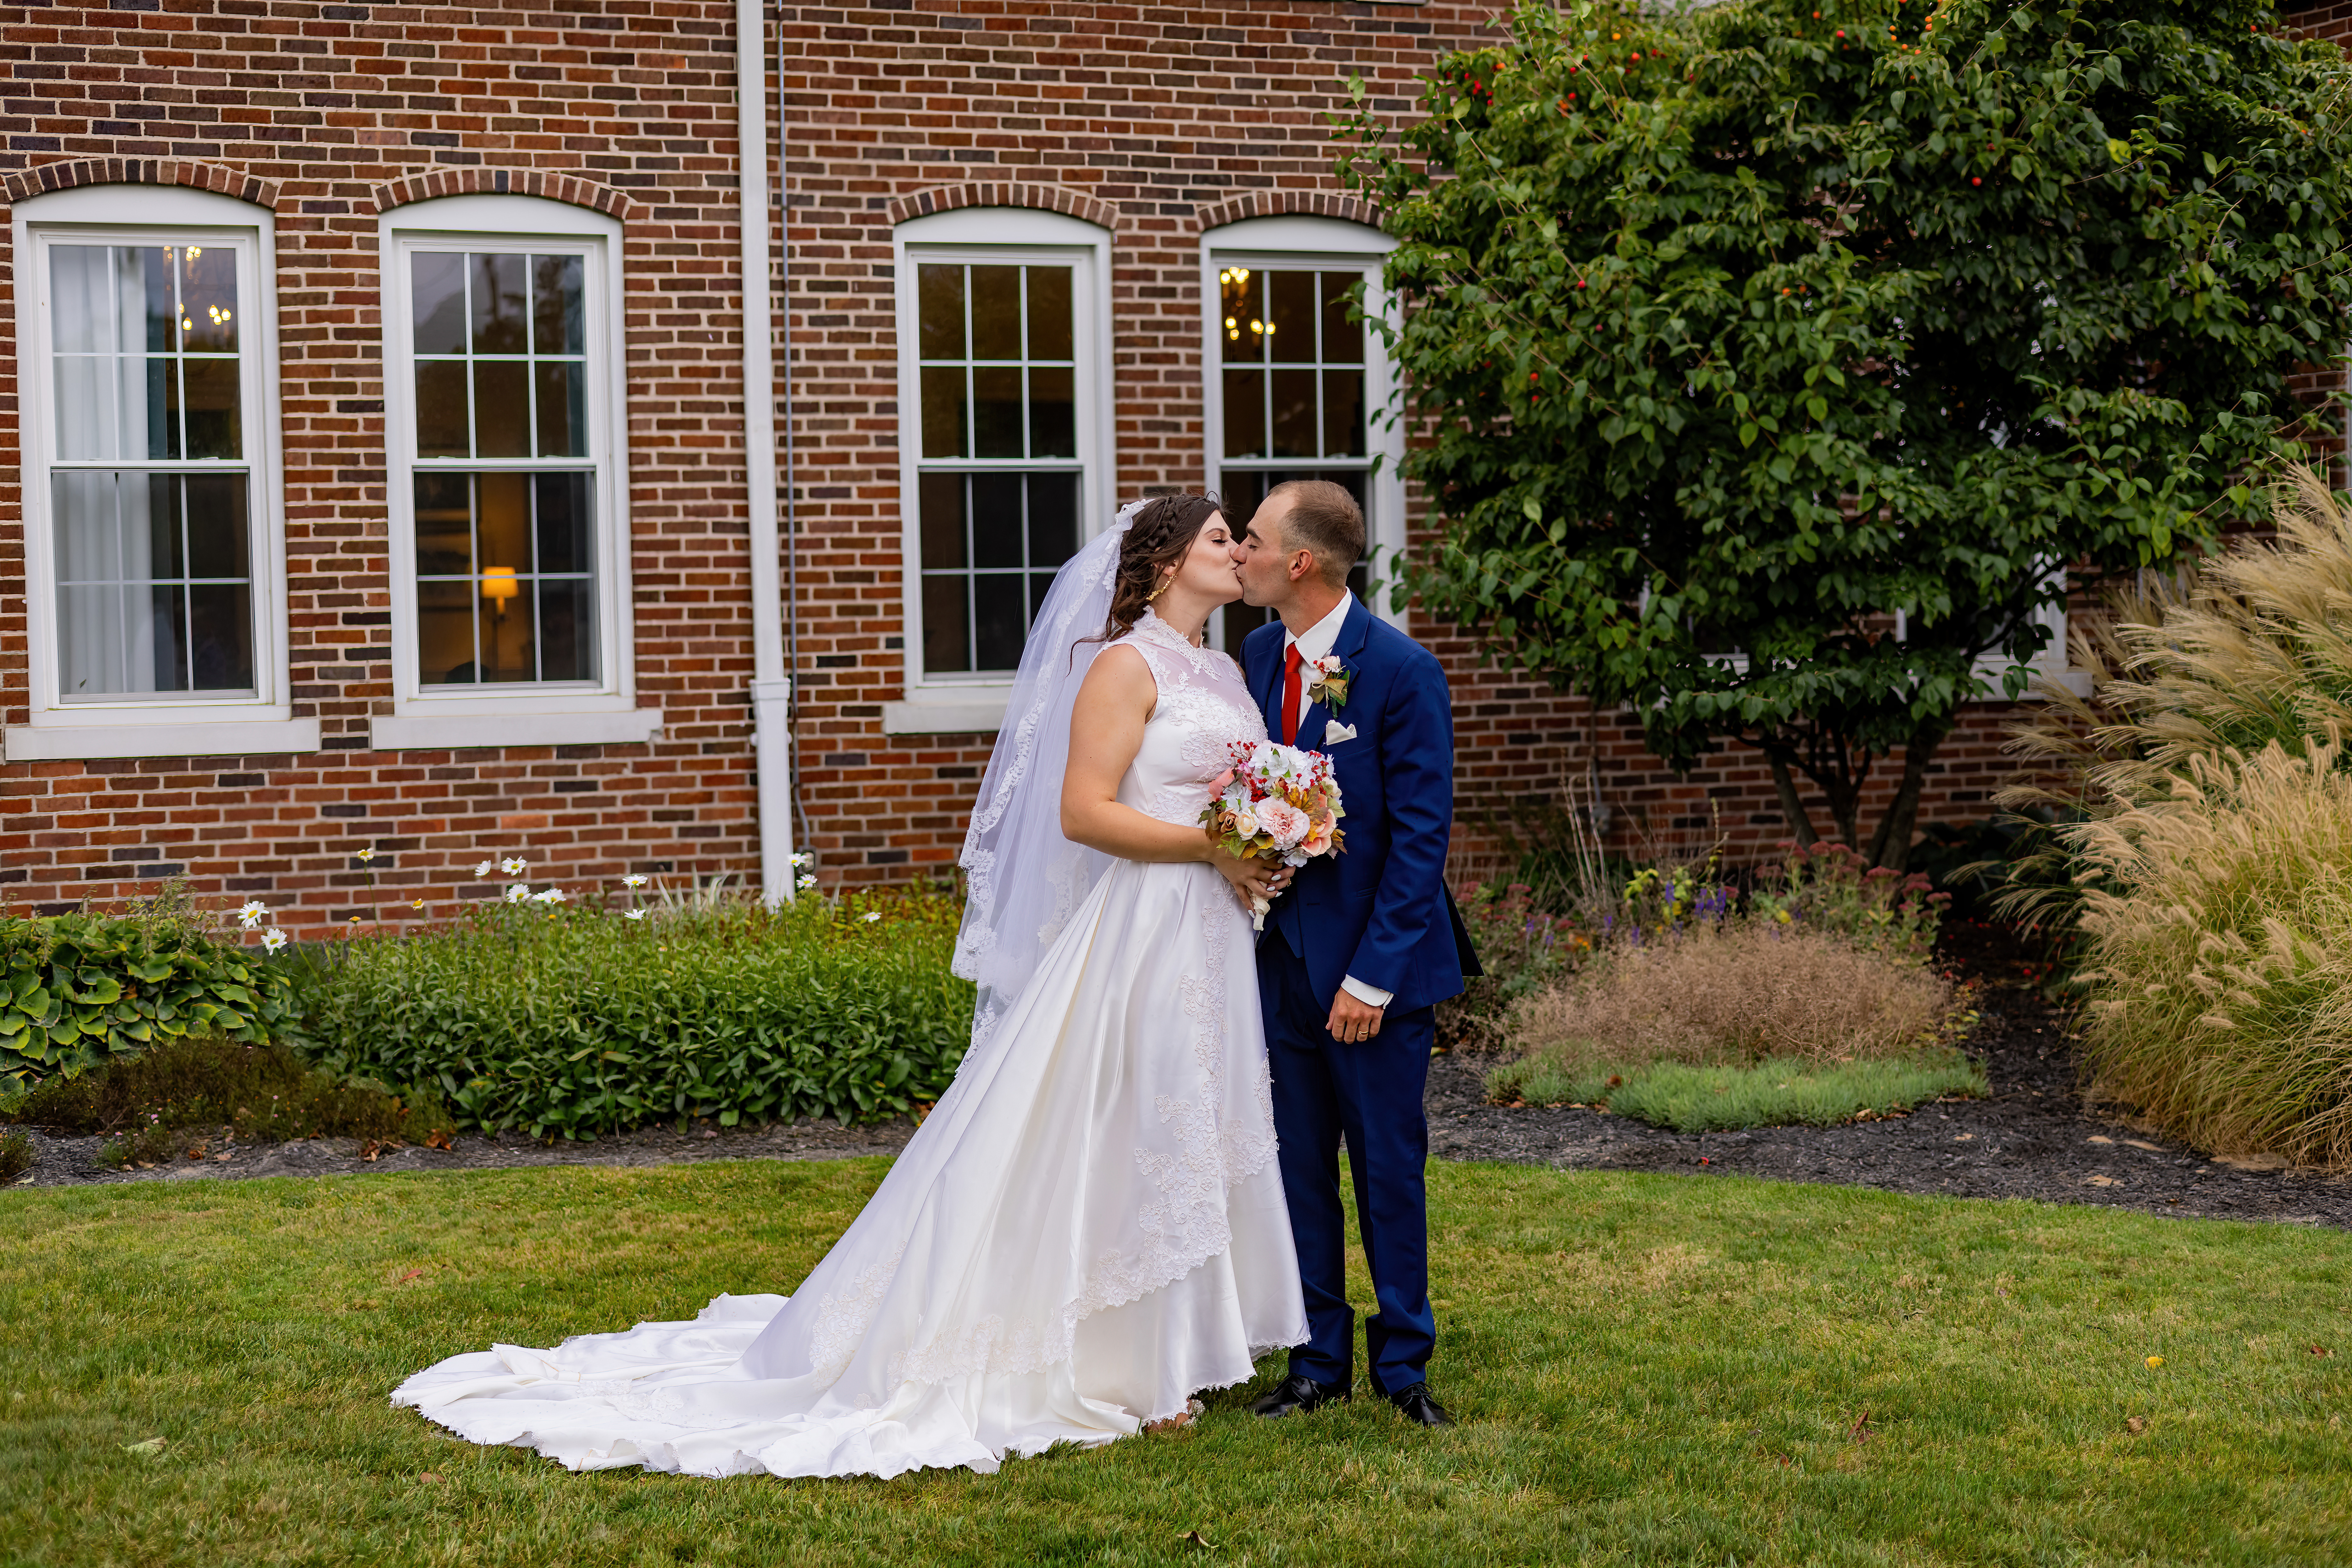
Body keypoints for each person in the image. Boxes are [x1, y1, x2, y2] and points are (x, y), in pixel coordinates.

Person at [392, 496, 1308, 1479]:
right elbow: (1084, 814)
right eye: (1221, 538)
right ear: (1168, 564)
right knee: (1134, 1129)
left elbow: (1236, 787)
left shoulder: (1220, 668)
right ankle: (1133, 1369)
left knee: (1191, 1121)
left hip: (1212, 935)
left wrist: (1270, 830)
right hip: (1144, 932)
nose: (1238, 551)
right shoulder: (1124, 665)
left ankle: (1181, 1345)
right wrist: (1213, 848)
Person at [1231, 479, 1473, 1429]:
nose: (1238, 553)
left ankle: (1404, 1364)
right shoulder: (1254, 656)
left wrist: (1370, 978)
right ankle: (1317, 1359)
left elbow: (1421, 838)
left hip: (1372, 975)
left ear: (1300, 562)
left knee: (1385, 1169)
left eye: (1251, 540)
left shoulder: (1401, 671)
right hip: (1276, 963)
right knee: (1297, 1166)